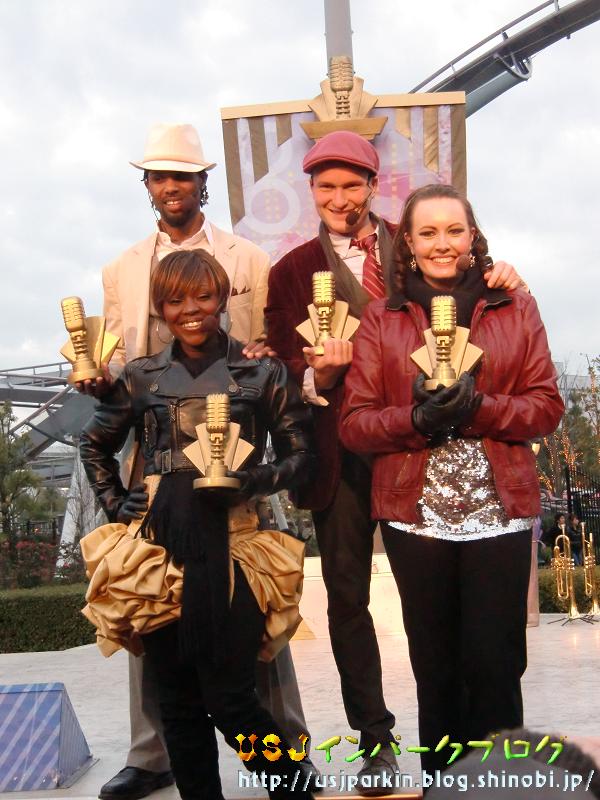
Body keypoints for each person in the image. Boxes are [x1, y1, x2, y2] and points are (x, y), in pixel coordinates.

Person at [264, 130, 525, 793]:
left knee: (445, 621)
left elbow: (470, 293)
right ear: (310, 190)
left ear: (373, 187)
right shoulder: (291, 270)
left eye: (352, 185)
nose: (339, 198)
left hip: (425, 450)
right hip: (340, 451)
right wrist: (316, 375)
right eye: (326, 186)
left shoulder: (413, 242)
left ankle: (478, 755)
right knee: (348, 601)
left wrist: (504, 275)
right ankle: (376, 741)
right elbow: (281, 363)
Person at [85, 123, 312, 800]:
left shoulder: (256, 354)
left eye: (205, 297)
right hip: (158, 538)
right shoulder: (139, 353)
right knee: (176, 698)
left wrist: (253, 480)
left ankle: (290, 778)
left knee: (234, 693)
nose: (191, 309)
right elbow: (98, 436)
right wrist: (117, 501)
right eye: (176, 301)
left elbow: (297, 450)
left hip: (234, 537)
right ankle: (172, 772)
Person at [339, 183, 564, 782]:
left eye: (454, 230)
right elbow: (355, 424)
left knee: (496, 667)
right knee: (435, 671)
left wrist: (478, 408)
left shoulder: (515, 307)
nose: (442, 243)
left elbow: (546, 407)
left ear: (472, 237)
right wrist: (417, 420)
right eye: (428, 232)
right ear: (408, 244)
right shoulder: (381, 319)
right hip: (417, 518)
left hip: (501, 511)